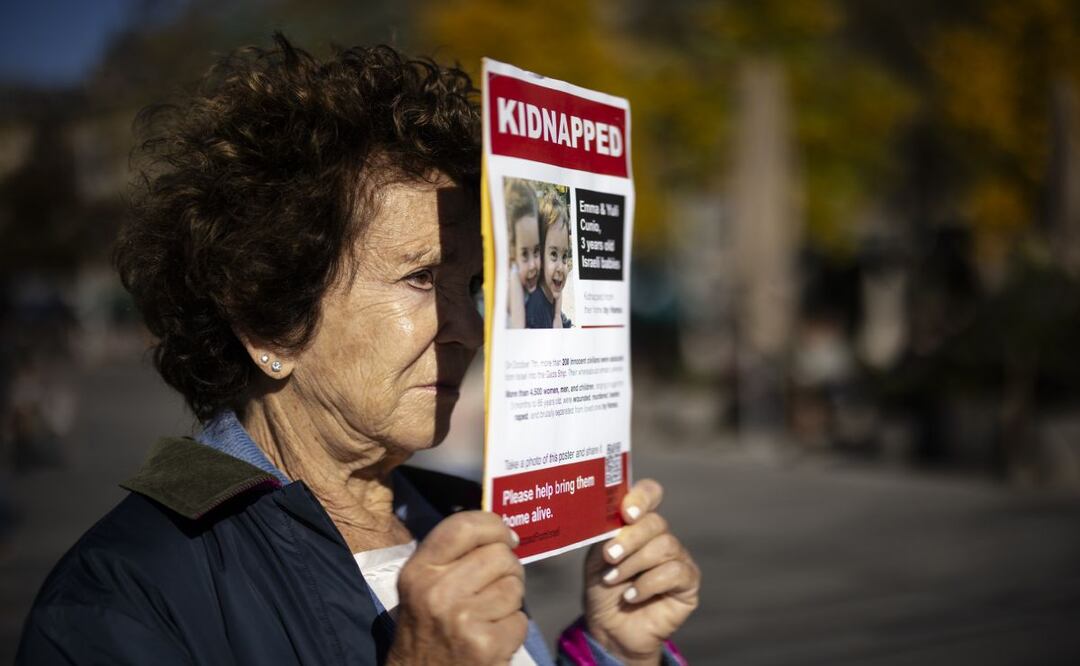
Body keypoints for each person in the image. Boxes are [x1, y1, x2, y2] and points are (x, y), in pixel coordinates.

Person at [17, 35, 699, 665]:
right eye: (422, 278)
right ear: (268, 324)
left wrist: (613, 649)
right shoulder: (123, 593)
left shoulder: (456, 518)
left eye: (472, 284)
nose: (469, 326)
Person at [526, 191, 573, 329]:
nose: (561, 267)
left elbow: (558, 299)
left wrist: (558, 316)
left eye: (564, 256)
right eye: (553, 254)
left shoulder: (551, 294)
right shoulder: (535, 309)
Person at [505, 179, 541, 329]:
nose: (533, 265)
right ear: (512, 252)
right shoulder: (513, 279)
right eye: (525, 254)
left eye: (537, 251)